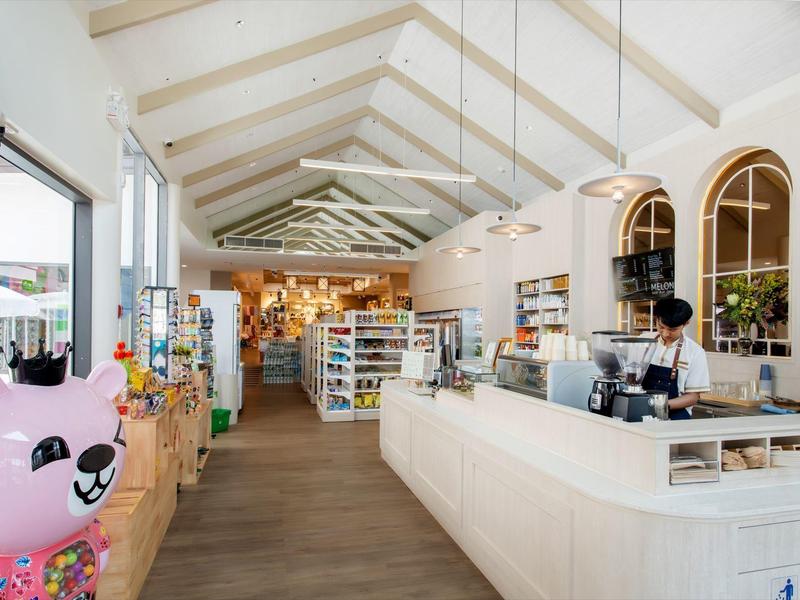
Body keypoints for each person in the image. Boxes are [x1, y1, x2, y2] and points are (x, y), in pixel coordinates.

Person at [641, 297, 710, 420]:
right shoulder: (643, 341)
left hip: (675, 416)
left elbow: (693, 396)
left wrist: (660, 405)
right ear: (656, 319)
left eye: (673, 329)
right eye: (661, 327)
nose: (666, 333)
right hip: (640, 411)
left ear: (686, 323)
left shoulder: (695, 352)